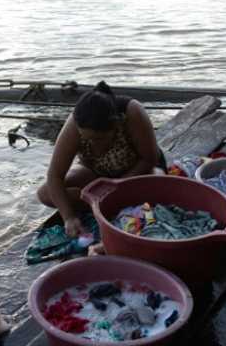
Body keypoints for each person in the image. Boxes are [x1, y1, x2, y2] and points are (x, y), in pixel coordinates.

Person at [37, 81, 164, 238]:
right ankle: (103, 203)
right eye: (87, 138)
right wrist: (69, 217)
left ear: (116, 125)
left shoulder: (132, 112)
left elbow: (150, 159)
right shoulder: (76, 123)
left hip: (137, 173)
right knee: (45, 193)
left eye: (99, 138)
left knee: (159, 182)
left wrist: (117, 185)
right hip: (98, 174)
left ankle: (105, 203)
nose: (93, 143)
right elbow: (55, 176)